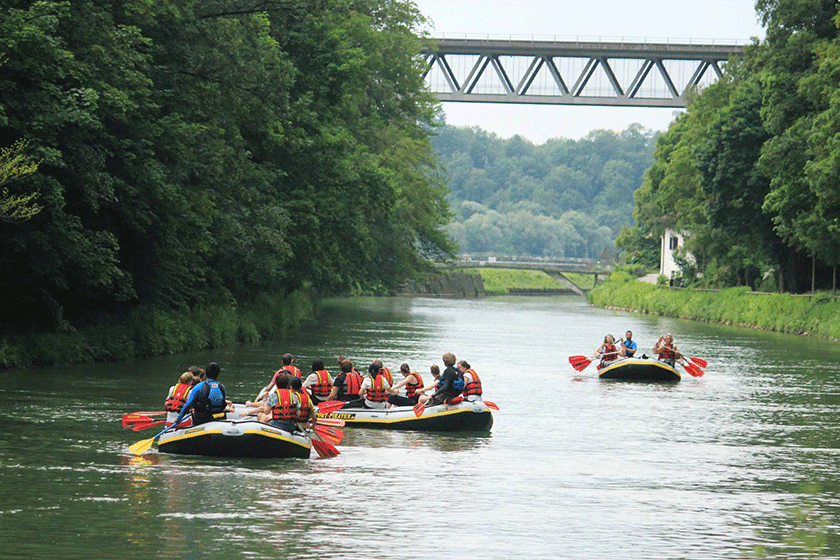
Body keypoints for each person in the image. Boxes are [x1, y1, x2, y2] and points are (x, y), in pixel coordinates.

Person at [173, 362, 232, 426]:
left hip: (203, 419)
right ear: (218, 374)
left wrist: (179, 418)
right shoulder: (222, 387)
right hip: (220, 417)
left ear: (206, 374)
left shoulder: (199, 386)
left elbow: (188, 405)